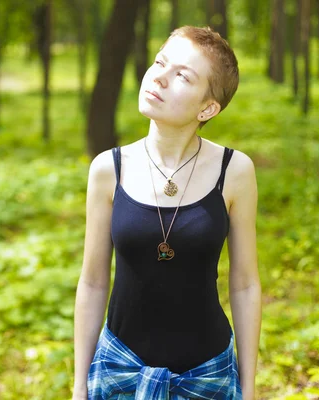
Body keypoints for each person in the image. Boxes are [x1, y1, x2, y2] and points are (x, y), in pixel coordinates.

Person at [73, 26, 261, 400]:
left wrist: (250, 387)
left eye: (182, 76)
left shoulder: (235, 171)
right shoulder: (108, 169)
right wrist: (80, 385)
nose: (159, 76)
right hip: (119, 371)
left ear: (208, 107)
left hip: (206, 376)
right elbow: (93, 281)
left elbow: (245, 284)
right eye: (160, 62)